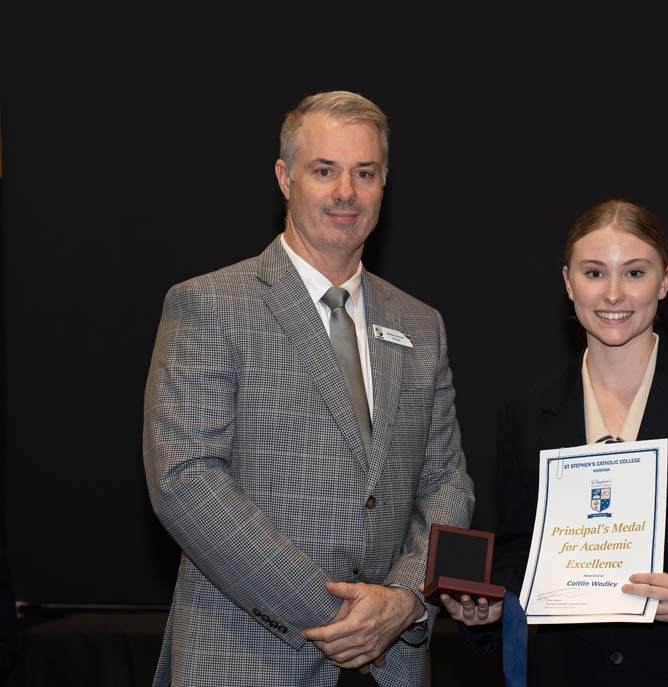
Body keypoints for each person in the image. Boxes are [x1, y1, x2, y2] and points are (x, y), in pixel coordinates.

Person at [143, 91, 475, 687]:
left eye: (364, 173)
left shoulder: (421, 325)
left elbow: (447, 485)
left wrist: (402, 603)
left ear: (383, 185)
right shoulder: (210, 304)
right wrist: (341, 621)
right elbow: (186, 484)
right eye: (325, 170)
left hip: (391, 663)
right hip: (250, 658)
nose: (345, 192)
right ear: (284, 178)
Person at [442, 200, 668, 685]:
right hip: (570, 671)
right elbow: (520, 554)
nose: (613, 294)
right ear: (568, 282)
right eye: (594, 273)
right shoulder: (527, 412)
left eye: (634, 272)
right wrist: (491, 607)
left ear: (665, 281)